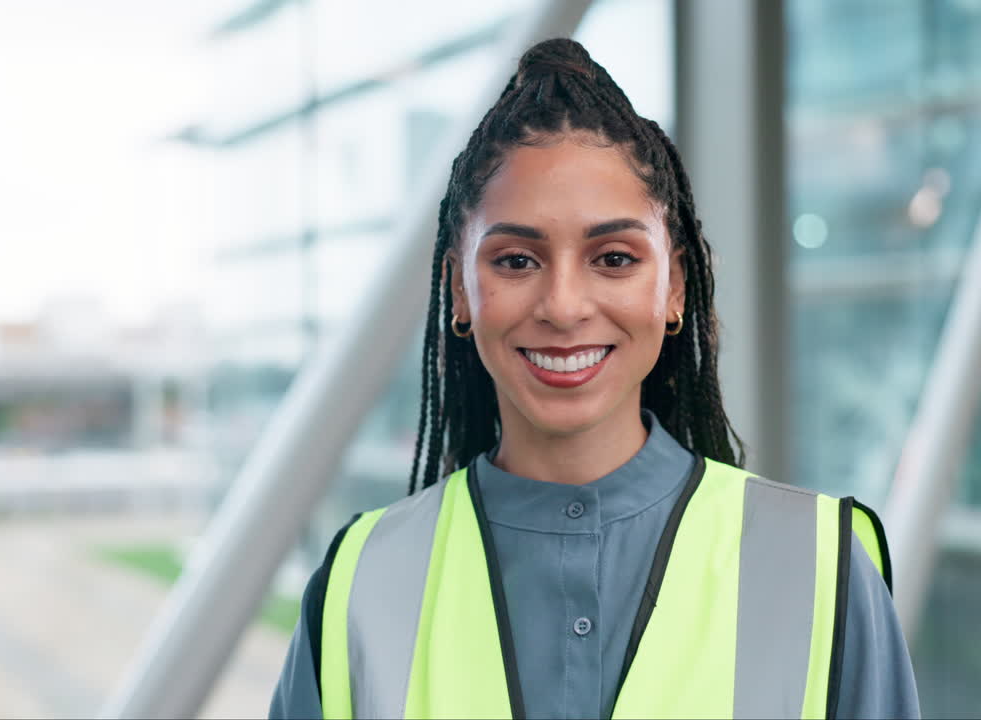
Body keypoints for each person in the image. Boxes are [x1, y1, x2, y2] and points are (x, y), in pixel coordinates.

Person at [270, 38, 920, 720]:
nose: (563, 306)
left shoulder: (821, 566)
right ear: (459, 290)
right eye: (516, 261)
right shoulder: (360, 582)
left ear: (675, 286)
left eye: (613, 258)